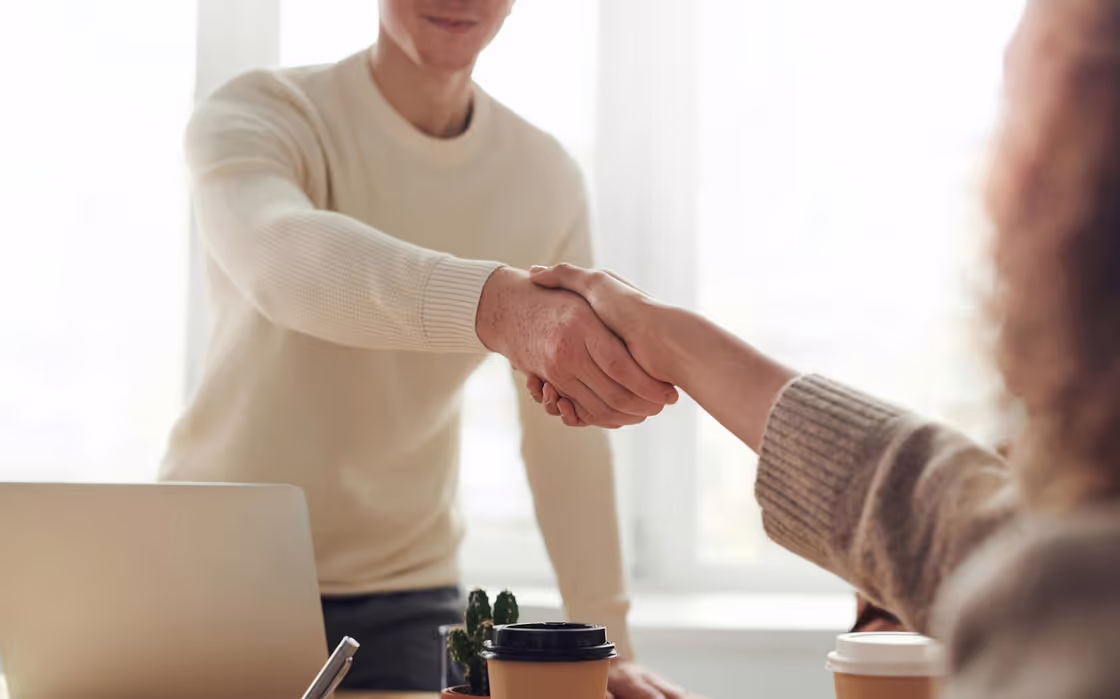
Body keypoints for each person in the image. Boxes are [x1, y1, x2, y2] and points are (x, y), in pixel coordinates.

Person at [525, 0, 1120, 695]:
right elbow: (945, 519)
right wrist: (673, 341)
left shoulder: (1075, 609)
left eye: (1019, 125)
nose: (991, 184)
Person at [162, 1, 690, 696]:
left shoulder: (542, 176)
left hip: (405, 595)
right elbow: (281, 261)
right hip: (213, 573)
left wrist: (604, 639)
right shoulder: (262, 112)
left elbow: (565, 430)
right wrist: (498, 307)